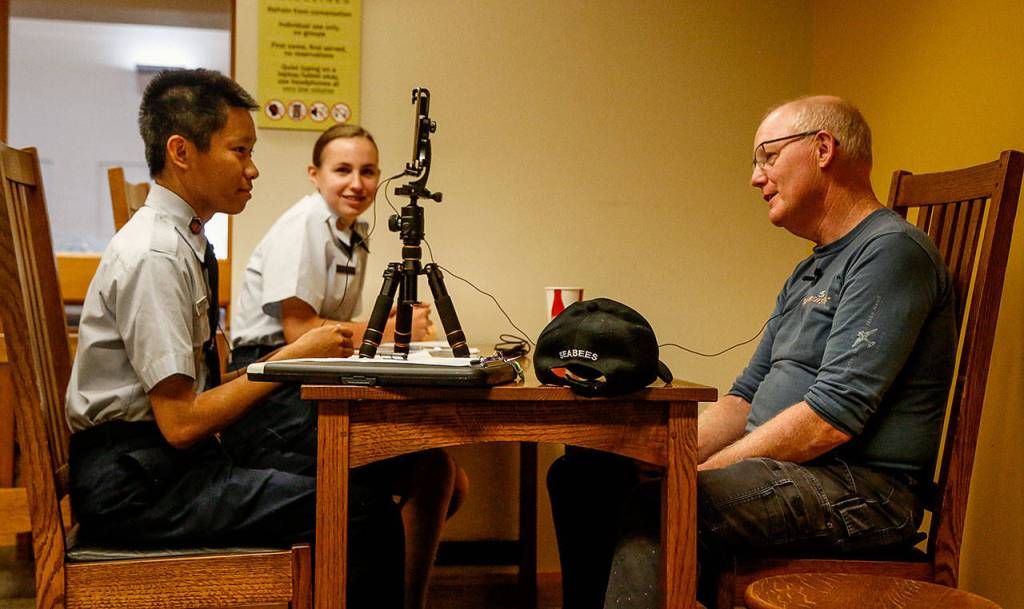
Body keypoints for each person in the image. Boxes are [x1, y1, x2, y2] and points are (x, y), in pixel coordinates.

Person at [547, 95, 957, 609]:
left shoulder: (891, 252)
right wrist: (667, 458)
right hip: (792, 473)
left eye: (768, 156)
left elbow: (831, 419)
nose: (756, 177)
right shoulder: (811, 269)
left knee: (665, 506)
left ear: (823, 148)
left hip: (861, 491)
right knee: (586, 476)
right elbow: (744, 399)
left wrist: (694, 476)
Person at [65, 68, 404, 608]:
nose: (253, 169)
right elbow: (181, 424)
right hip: (139, 484)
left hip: (162, 467)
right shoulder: (154, 255)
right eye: (239, 150)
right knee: (362, 511)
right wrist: (289, 358)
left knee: (350, 481)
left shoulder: (184, 241)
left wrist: (284, 362)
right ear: (182, 151)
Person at [229, 123, 467, 609]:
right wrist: (392, 329)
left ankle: (403, 598)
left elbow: (335, 329)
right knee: (432, 473)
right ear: (314, 174)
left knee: (440, 472)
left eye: (367, 171)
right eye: (342, 170)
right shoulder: (304, 226)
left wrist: (388, 328)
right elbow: (300, 333)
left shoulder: (350, 234)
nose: (356, 183)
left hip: (309, 381)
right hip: (268, 389)